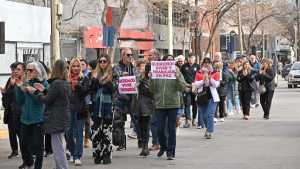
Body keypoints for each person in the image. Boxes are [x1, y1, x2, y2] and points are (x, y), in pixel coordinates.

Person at [33, 59, 71, 169]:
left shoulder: (56, 83)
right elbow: (55, 97)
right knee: (60, 145)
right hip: (63, 117)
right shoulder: (64, 82)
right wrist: (44, 90)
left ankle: (63, 167)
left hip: (55, 118)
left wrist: (36, 92)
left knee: (57, 147)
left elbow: (47, 100)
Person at [150, 54, 187, 160]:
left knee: (171, 129)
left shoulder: (177, 71)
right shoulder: (158, 72)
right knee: (160, 129)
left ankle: (171, 152)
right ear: (163, 62)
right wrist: (151, 78)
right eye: (168, 60)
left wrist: (177, 77)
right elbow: (152, 89)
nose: (170, 62)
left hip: (173, 104)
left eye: (172, 60)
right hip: (160, 104)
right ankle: (163, 146)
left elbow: (182, 87)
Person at [15, 61, 48, 169]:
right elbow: (20, 101)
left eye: (30, 70)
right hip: (25, 119)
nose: (28, 72)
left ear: (38, 71)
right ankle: (29, 163)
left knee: (38, 147)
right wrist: (19, 88)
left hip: (38, 119)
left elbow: (40, 101)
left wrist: (31, 91)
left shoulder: (44, 83)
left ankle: (38, 167)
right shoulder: (26, 82)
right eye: (27, 70)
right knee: (23, 143)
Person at [90, 54, 115, 164]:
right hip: (96, 107)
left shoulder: (112, 74)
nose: (102, 63)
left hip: (107, 108)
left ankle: (106, 154)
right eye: (100, 61)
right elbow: (92, 89)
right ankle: (97, 154)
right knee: (96, 133)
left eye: (105, 61)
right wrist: (95, 79)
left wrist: (105, 82)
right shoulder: (94, 75)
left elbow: (113, 89)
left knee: (106, 132)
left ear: (108, 63)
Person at [113, 48, 138, 150]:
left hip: (133, 97)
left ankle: (142, 141)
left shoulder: (134, 68)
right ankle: (121, 143)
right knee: (119, 121)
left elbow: (138, 78)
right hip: (120, 98)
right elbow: (114, 78)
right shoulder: (117, 67)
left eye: (131, 55)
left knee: (137, 119)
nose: (130, 57)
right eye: (128, 55)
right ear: (122, 56)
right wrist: (120, 76)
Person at [66, 58, 89, 166]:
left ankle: (77, 156)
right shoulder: (66, 79)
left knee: (79, 133)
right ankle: (72, 151)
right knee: (68, 133)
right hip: (68, 109)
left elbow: (85, 92)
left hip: (80, 109)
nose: (75, 68)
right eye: (74, 66)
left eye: (77, 66)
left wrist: (77, 85)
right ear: (70, 67)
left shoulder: (84, 78)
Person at [1, 62, 25, 159]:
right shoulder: (10, 80)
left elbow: (16, 95)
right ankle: (14, 150)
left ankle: (26, 152)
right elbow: (8, 94)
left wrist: (10, 88)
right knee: (11, 132)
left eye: (15, 70)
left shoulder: (21, 81)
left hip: (19, 111)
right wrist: (4, 92)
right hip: (10, 110)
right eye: (12, 70)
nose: (13, 72)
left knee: (21, 132)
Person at [193, 58, 220, 138]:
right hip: (202, 96)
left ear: (211, 64)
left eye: (208, 63)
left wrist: (209, 77)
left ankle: (209, 131)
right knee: (204, 115)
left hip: (212, 97)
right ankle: (208, 128)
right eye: (205, 63)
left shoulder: (215, 72)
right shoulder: (199, 72)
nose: (207, 64)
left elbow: (216, 84)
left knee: (209, 114)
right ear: (202, 64)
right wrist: (203, 80)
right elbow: (196, 84)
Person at [136, 60, 154, 157]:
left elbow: (152, 92)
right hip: (138, 106)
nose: (147, 70)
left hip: (147, 106)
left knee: (145, 126)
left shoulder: (153, 80)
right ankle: (143, 144)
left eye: (149, 69)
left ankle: (145, 146)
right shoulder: (140, 78)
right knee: (140, 126)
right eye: (147, 68)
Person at [145, 49, 160, 151]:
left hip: (162, 98)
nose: (149, 57)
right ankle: (156, 143)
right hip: (151, 98)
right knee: (153, 121)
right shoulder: (147, 66)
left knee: (162, 122)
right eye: (148, 55)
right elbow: (145, 80)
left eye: (150, 55)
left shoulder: (162, 66)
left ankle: (163, 141)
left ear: (156, 56)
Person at [180, 55, 200, 127]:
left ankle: (194, 119)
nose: (190, 60)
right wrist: (184, 85)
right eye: (189, 58)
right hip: (186, 87)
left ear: (194, 59)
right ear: (187, 59)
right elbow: (181, 77)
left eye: (192, 58)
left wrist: (196, 85)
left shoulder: (197, 66)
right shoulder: (184, 66)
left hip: (194, 87)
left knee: (195, 104)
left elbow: (199, 77)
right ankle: (188, 120)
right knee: (187, 104)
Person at [79, 58, 92, 148]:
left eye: (83, 64)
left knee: (87, 121)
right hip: (78, 102)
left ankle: (86, 139)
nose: (81, 66)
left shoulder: (89, 74)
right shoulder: (76, 74)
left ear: (86, 66)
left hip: (87, 101)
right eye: (80, 64)